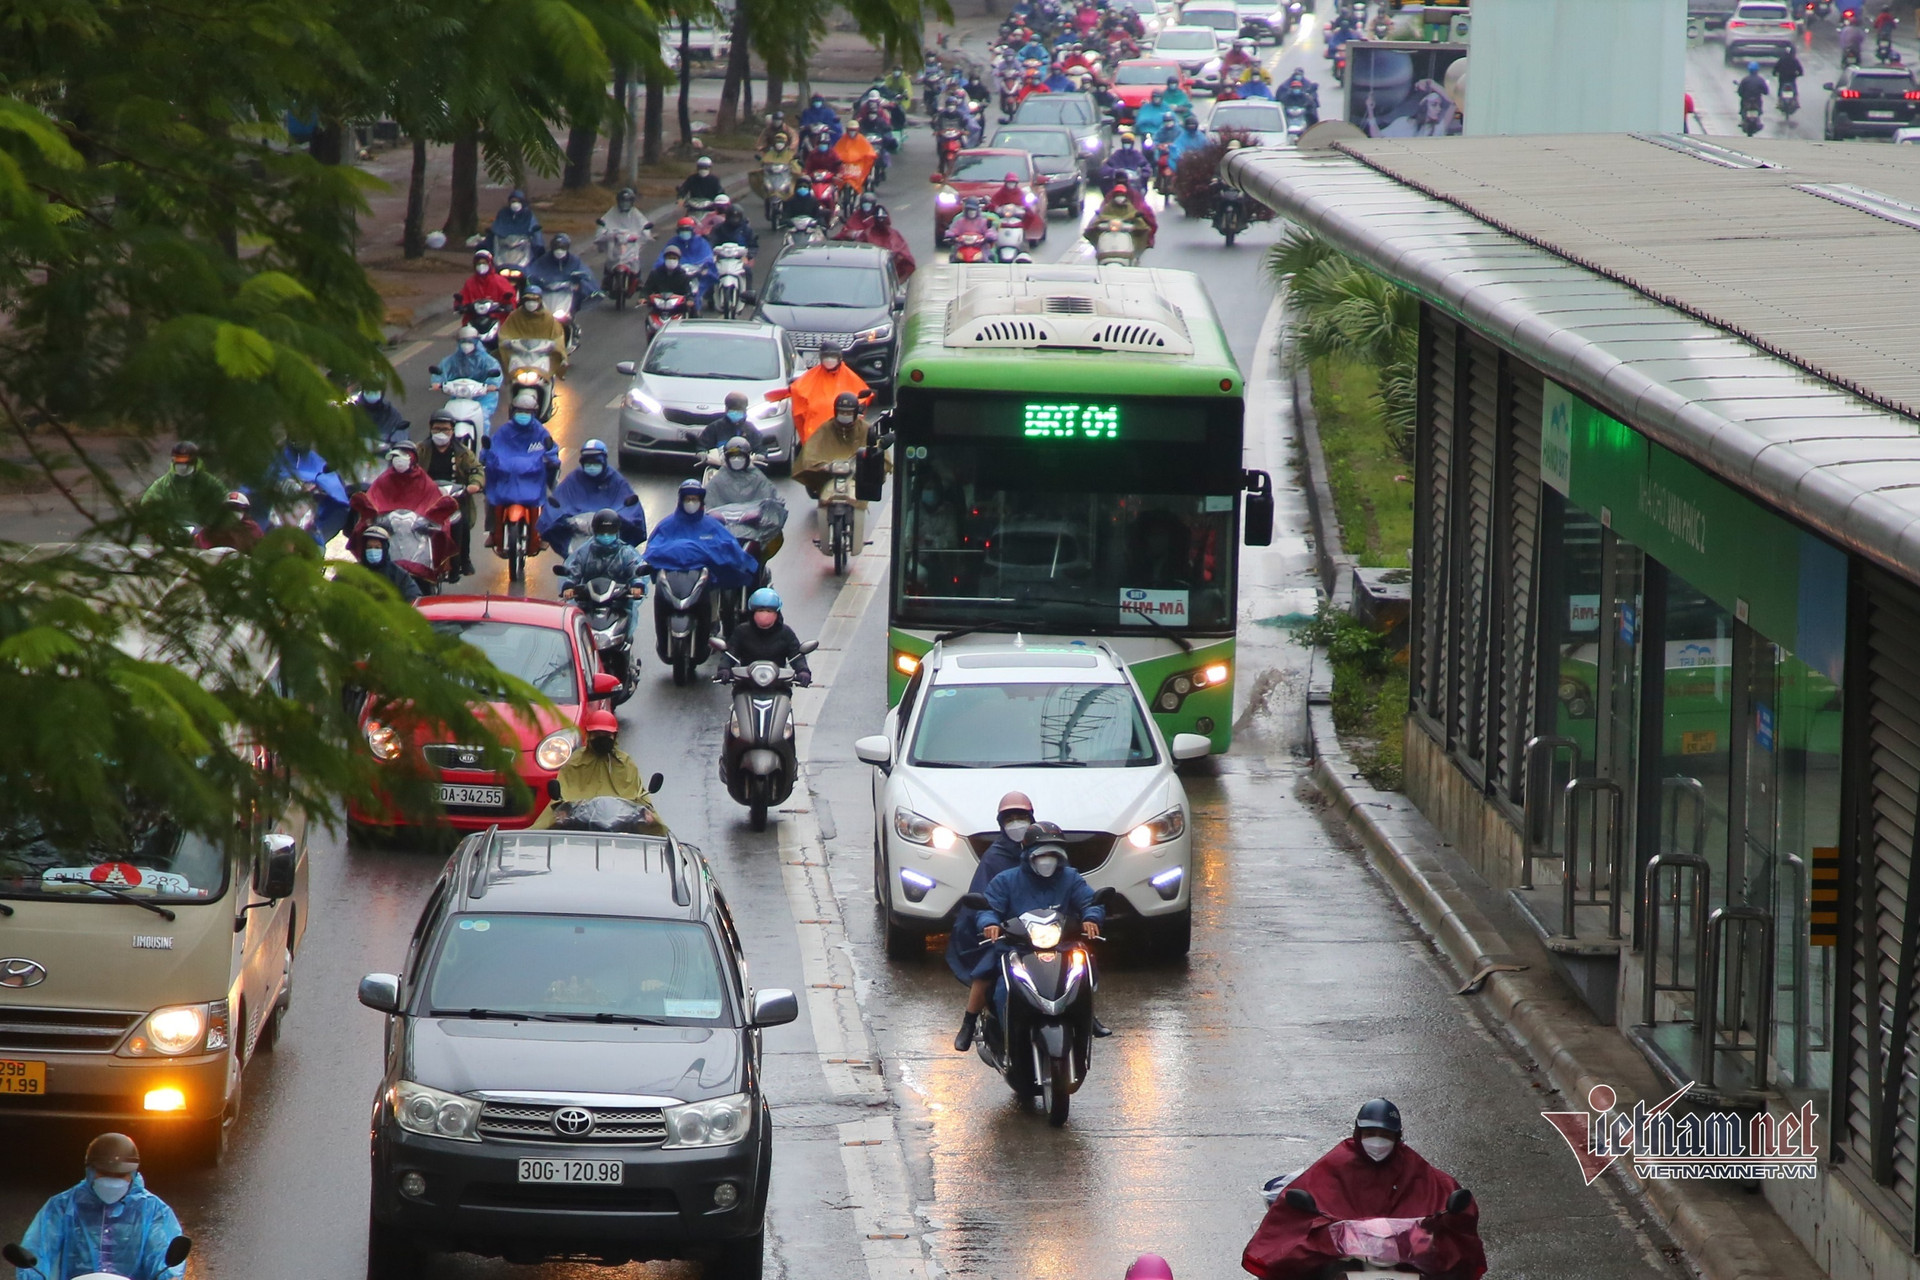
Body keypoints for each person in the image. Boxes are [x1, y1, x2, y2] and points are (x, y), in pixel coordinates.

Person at [1241, 1099, 1486, 1280]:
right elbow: (1305, 1196)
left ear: (1397, 1137)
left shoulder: (1416, 1169)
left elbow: (1446, 1195)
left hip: (1406, 1256)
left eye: (1385, 1135)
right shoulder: (1336, 1164)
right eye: (1370, 1134)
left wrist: (1448, 1217)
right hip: (1346, 1256)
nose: (1377, 1142)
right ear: (1358, 1133)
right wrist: (1322, 1228)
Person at [978, 823, 1106, 1028]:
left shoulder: (1070, 878)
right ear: (1028, 854)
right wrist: (990, 923)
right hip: (1018, 949)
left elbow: (1090, 902)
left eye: (1053, 854)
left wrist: (1091, 918)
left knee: (1084, 972)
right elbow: (988, 907)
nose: (1047, 860)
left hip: (1063, 948)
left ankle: (1087, 1016)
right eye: (1041, 854)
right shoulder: (1006, 880)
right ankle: (1007, 1035)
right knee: (1004, 987)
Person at [16, 1133, 187, 1280]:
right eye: (105, 1173)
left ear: (133, 1174)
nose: (112, 1181)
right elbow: (39, 1248)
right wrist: (32, 1274)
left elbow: (162, 1251)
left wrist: (168, 1274)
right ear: (89, 1170)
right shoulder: (61, 1206)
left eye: (120, 1175)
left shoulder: (153, 1210)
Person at [950, 792, 1038, 1051]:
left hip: (1043, 929)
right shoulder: (994, 858)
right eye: (1010, 819)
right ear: (1001, 823)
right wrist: (991, 923)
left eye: (1021, 817)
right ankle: (969, 1020)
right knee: (988, 966)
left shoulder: (1045, 852)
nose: (1016, 824)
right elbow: (984, 901)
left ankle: (1085, 1013)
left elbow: (1068, 888)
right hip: (1006, 932)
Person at [642, 480, 764, 657]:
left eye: (695, 499)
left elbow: (729, 548)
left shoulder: (711, 526)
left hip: (702, 583)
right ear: (681, 500)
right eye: (688, 499)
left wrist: (745, 563)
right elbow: (652, 550)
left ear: (701, 501)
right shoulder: (667, 525)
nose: (691, 503)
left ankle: (710, 627)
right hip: (673, 583)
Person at [481, 390, 560, 553]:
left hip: (532, 479)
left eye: (527, 412)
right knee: (489, 499)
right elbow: (492, 448)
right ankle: (492, 531)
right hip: (507, 478)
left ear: (534, 413)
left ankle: (544, 534)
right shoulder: (504, 431)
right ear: (513, 412)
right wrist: (486, 456)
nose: (523, 415)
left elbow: (551, 448)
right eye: (520, 412)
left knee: (549, 498)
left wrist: (550, 459)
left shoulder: (540, 432)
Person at [541, 438, 646, 559]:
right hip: (579, 544)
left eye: (595, 462)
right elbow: (558, 503)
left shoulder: (616, 480)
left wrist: (619, 522)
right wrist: (563, 520)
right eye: (588, 462)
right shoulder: (573, 480)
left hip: (611, 541)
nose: (591, 466)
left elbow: (630, 508)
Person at [765, 341, 872, 452]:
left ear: (839, 357)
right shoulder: (811, 377)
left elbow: (863, 395)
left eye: (833, 356)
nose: (829, 359)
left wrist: (860, 408)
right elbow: (797, 390)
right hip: (815, 436)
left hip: (843, 436)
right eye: (826, 356)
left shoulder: (850, 377)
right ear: (821, 357)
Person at [545, 709, 656, 810]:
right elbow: (562, 792)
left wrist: (647, 811)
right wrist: (561, 809)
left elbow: (639, 793)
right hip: (578, 821)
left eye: (607, 735)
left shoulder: (625, 763)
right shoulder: (575, 762)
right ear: (589, 735)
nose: (602, 739)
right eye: (597, 734)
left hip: (620, 822)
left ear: (614, 736)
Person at [560, 507, 649, 634]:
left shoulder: (626, 552)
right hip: (588, 605)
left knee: (627, 626)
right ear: (595, 532)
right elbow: (574, 569)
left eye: (610, 531)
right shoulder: (584, 552)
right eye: (602, 531)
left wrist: (637, 585)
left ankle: (625, 647)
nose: (606, 535)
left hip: (618, 605)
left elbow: (636, 568)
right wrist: (569, 586)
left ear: (617, 531)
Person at [424, 410, 484, 576]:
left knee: (461, 522)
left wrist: (474, 484)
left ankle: (463, 560)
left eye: (445, 429)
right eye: (436, 429)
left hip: (456, 499)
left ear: (452, 431)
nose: (441, 433)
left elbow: (476, 470)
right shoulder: (421, 450)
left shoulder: (463, 452)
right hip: (427, 499)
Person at [704, 435, 789, 553]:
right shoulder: (718, 479)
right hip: (722, 531)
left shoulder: (758, 478)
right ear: (727, 457)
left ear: (747, 456)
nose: (737, 460)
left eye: (740, 456)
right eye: (733, 456)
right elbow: (705, 504)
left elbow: (773, 503)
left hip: (752, 531)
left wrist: (759, 514)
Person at [717, 587, 813, 685]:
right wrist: (724, 669)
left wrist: (803, 671)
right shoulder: (741, 631)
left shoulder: (786, 633)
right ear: (753, 612)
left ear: (777, 613)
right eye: (761, 610)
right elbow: (730, 653)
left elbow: (796, 655)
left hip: (778, 686)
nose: (764, 614)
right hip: (746, 685)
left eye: (769, 611)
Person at [498, 284, 568, 401]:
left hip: (542, 355)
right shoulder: (515, 316)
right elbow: (504, 334)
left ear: (540, 301)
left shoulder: (548, 318)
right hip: (520, 354)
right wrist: (508, 342)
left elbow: (558, 336)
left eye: (534, 300)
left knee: (555, 365)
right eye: (528, 300)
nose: (531, 303)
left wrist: (554, 345)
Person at [140, 440, 227, 519]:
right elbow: (148, 501)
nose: (181, 464)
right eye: (177, 459)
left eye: (184, 459)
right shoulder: (164, 484)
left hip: (202, 528)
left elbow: (223, 496)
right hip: (174, 528)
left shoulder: (208, 481)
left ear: (194, 460)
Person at [434, 324, 503, 421]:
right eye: (463, 341)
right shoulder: (453, 359)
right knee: (448, 418)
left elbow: (496, 373)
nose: (466, 344)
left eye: (470, 341)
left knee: (482, 417)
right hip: (460, 394)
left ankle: (482, 436)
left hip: (482, 396)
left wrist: (491, 385)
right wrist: (437, 382)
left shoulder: (487, 360)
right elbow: (441, 370)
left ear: (476, 342)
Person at [594, 186, 655, 288]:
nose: (624, 204)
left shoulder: (635, 214)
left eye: (627, 202)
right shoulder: (612, 212)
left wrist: (644, 232)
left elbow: (644, 225)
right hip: (616, 243)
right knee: (610, 259)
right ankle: (607, 278)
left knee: (635, 259)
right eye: (623, 201)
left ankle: (637, 278)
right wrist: (605, 232)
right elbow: (604, 223)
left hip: (630, 244)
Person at [654, 217, 717, 308]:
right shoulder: (673, 242)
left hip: (696, 273)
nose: (685, 233)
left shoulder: (701, 242)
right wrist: (662, 265)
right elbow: (663, 255)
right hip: (677, 273)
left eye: (687, 230)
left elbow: (708, 255)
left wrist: (704, 265)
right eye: (682, 230)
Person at [526, 232, 595, 314]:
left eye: (562, 247)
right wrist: (536, 280)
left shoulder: (574, 260)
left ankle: (572, 323)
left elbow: (585, 273)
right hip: (546, 295)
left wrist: (580, 279)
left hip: (566, 295)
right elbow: (532, 271)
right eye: (556, 247)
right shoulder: (543, 260)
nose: (559, 250)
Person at [356, 520, 422, 603]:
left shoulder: (398, 574)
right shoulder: (352, 571)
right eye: (369, 547)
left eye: (377, 548)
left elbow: (414, 597)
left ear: (385, 549)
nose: (372, 551)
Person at [1087, 184, 1154, 258]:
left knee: (1144, 231)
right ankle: (1099, 249)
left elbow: (1135, 217)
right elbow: (1102, 217)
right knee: (1091, 230)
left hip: (1127, 231)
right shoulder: (1108, 207)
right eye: (1118, 194)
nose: (1119, 196)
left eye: (1121, 194)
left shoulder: (1129, 207)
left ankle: (1136, 253)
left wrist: (1136, 220)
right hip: (1109, 230)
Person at [695, 390, 772, 455]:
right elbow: (703, 445)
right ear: (726, 409)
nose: (736, 412)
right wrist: (701, 452)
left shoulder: (750, 429)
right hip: (719, 467)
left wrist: (761, 455)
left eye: (739, 410)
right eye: (733, 410)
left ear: (745, 410)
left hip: (745, 468)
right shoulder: (714, 428)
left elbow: (759, 447)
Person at [852, 207, 916, 280]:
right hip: (869, 275)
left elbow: (906, 258)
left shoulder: (894, 235)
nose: (881, 223)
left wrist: (896, 283)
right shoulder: (866, 234)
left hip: (890, 277)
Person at [455, 248, 518, 316]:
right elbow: (463, 297)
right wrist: (459, 305)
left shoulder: (500, 281)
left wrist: (508, 304)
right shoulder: (470, 283)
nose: (481, 265)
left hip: (497, 319)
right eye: (478, 263)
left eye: (484, 263)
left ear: (490, 264)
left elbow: (510, 297)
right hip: (474, 319)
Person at [483, 187, 544, 258]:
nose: (515, 204)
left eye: (518, 201)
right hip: (504, 247)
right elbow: (497, 226)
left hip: (522, 249)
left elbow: (535, 230)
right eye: (513, 201)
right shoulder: (503, 213)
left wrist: (538, 247)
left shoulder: (528, 214)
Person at [642, 244, 698, 312]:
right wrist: (643, 297)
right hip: (659, 306)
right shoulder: (655, 273)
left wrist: (690, 300)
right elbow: (647, 288)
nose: (671, 260)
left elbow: (689, 291)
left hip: (678, 307)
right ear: (665, 259)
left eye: (674, 258)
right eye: (669, 258)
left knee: (694, 312)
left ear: (678, 260)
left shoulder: (684, 275)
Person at [354, 384, 410, 451]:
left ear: (382, 393)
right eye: (369, 391)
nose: (372, 394)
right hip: (359, 454)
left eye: (375, 392)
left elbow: (401, 434)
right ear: (363, 392)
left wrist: (391, 442)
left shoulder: (390, 412)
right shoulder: (353, 411)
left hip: (384, 455)